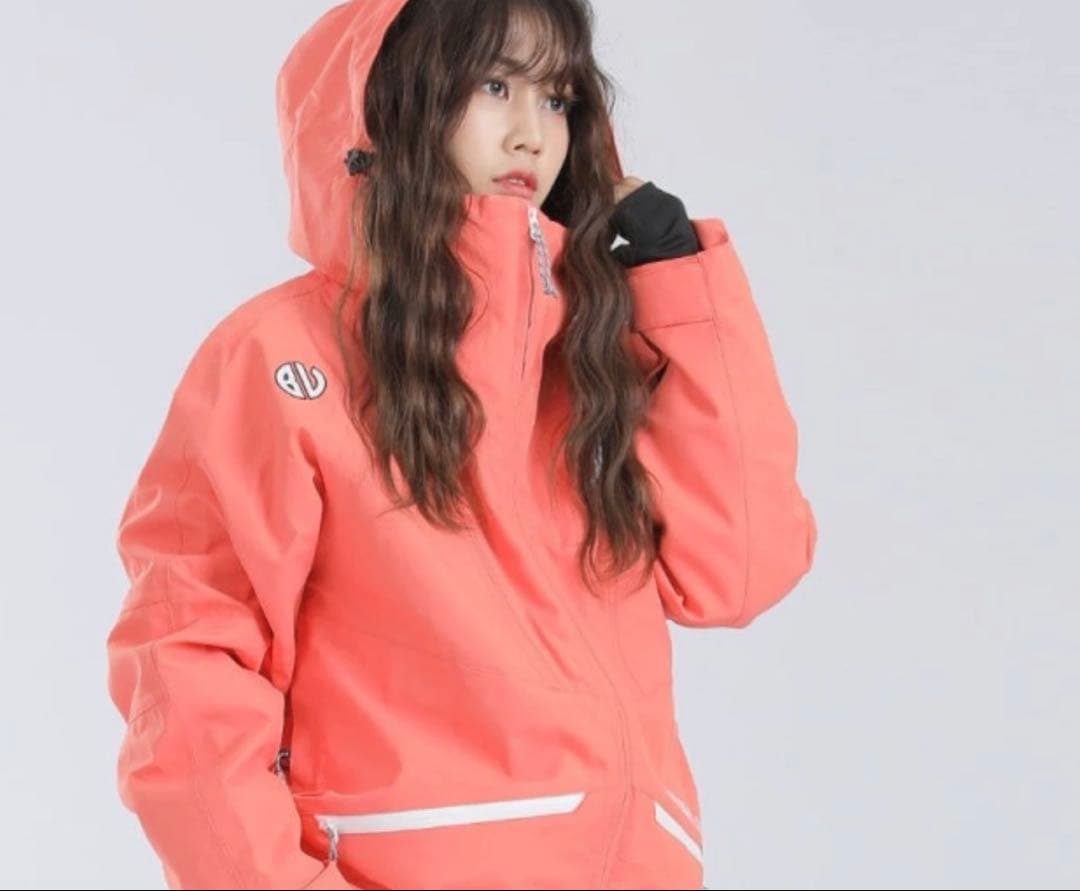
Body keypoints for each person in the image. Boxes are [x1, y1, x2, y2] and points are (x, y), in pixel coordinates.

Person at [105, 0, 818, 888]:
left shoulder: (589, 360)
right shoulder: (284, 355)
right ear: (394, 101)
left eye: (555, 98)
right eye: (494, 86)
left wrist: (679, 284)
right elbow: (187, 658)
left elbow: (738, 571)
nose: (531, 134)